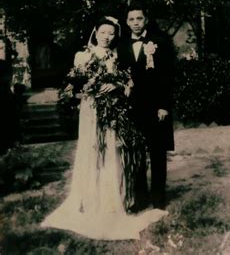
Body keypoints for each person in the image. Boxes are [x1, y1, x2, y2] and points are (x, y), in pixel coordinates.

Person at [41, 16, 168, 240]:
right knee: (92, 148)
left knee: (111, 150)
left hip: (112, 111)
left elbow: (127, 81)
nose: (107, 37)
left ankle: (112, 199)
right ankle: (91, 199)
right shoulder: (83, 55)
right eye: (103, 32)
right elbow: (76, 84)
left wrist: (116, 84)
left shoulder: (116, 55)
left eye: (111, 33)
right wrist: (93, 85)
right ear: (95, 33)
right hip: (91, 110)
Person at [117, 3, 176, 212]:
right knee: (136, 153)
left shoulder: (160, 42)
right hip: (133, 108)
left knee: (157, 152)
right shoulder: (121, 45)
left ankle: (159, 197)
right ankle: (140, 198)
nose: (135, 23)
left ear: (146, 20)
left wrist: (164, 106)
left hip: (156, 107)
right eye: (131, 19)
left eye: (139, 19)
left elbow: (168, 76)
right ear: (126, 22)